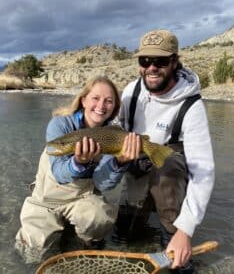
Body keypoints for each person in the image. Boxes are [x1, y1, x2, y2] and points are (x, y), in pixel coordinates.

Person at [116, 30, 215, 273]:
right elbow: (117, 129)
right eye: (144, 61)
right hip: (137, 166)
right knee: (125, 235)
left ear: (174, 61)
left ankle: (172, 231)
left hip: (169, 171)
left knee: (168, 165)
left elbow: (203, 171)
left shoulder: (192, 106)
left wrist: (185, 230)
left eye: (159, 61)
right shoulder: (131, 92)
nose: (151, 67)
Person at [15, 76, 141, 263]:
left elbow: (102, 183)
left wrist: (120, 162)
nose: (101, 105)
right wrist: (79, 162)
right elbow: (58, 173)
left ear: (114, 108)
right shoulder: (60, 125)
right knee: (31, 254)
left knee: (99, 219)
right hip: (46, 198)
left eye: (108, 101)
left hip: (82, 198)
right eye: (95, 98)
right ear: (83, 100)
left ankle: (79, 242)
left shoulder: (113, 136)